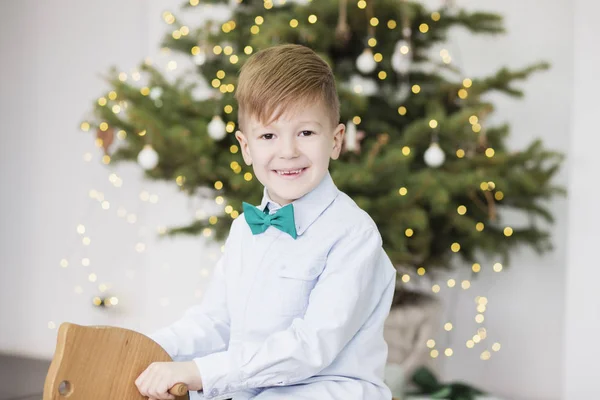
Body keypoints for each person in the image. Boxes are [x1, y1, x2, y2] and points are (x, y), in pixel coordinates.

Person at [135, 44, 397, 400]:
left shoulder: (353, 234)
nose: (288, 151)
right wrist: (144, 349)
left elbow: (310, 346)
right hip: (249, 389)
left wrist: (201, 372)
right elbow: (215, 321)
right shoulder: (245, 229)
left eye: (305, 133)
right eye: (269, 135)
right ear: (246, 148)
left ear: (335, 141)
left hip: (326, 391)